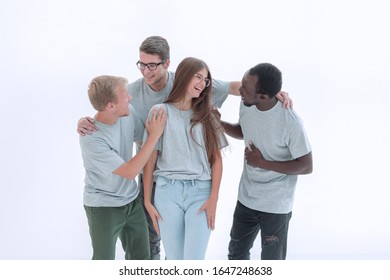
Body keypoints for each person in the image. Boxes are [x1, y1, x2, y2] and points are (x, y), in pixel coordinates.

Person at [77, 36, 291, 259]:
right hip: (158, 182)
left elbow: (232, 88)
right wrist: (87, 121)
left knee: (190, 260)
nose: (146, 71)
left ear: (167, 64)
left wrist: (269, 92)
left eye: (152, 65)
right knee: (153, 248)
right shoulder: (133, 96)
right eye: (142, 65)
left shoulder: (201, 105)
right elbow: (107, 107)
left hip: (197, 187)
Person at [219, 63, 313, 260]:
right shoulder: (247, 103)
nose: (240, 90)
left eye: (245, 87)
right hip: (246, 198)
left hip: (275, 205)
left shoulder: (290, 122)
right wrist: (219, 124)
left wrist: (262, 163)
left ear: (262, 96)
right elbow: (244, 130)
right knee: (236, 255)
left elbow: (306, 165)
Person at [142, 57, 227, 260]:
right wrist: (147, 200)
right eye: (198, 77)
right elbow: (150, 160)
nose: (202, 83)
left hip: (200, 192)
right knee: (175, 260)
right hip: (166, 192)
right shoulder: (159, 112)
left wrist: (214, 197)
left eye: (205, 80)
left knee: (194, 260)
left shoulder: (207, 114)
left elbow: (216, 159)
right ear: (183, 76)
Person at [79, 75, 166, 260]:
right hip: (103, 206)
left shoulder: (129, 113)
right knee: (104, 261)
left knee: (141, 259)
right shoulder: (91, 138)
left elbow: (144, 144)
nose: (130, 97)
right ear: (110, 105)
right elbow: (130, 171)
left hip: (131, 200)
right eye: (125, 95)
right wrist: (154, 136)